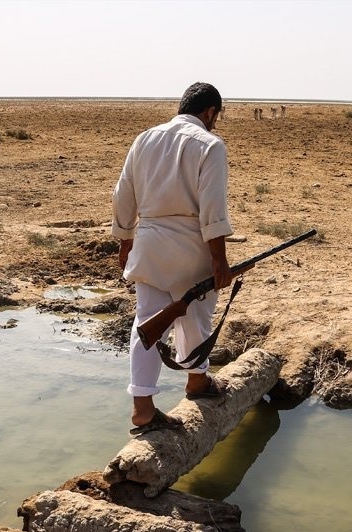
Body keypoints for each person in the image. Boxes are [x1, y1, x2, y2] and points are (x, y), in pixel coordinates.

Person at [112, 82, 234, 435]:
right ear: (210, 112)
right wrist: (219, 260)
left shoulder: (144, 138)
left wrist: (125, 241)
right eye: (216, 117)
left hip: (148, 244)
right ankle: (197, 382)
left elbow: (123, 195)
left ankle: (143, 409)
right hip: (190, 247)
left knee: (146, 325)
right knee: (196, 317)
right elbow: (212, 209)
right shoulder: (210, 145)